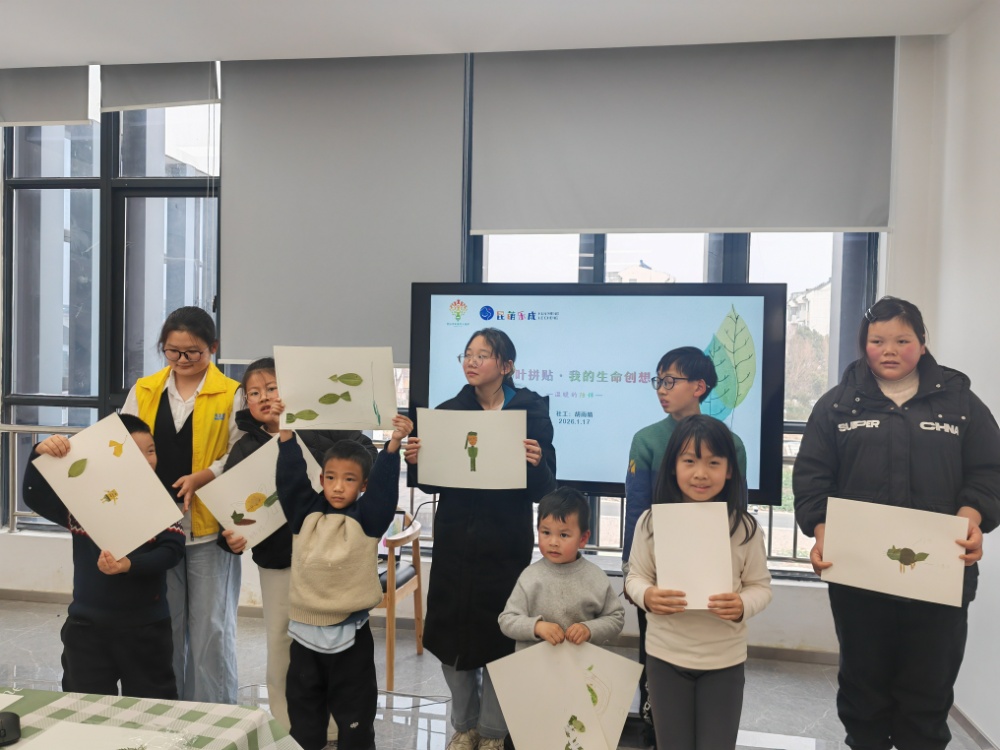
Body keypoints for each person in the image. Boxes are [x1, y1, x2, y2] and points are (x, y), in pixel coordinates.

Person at [793, 296, 1000, 750]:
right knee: (862, 691)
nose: (889, 350)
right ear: (863, 344)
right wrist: (822, 531)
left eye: (902, 340)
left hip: (940, 578)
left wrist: (973, 517)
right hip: (859, 579)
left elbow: (990, 471)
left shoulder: (960, 403)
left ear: (922, 343)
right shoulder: (836, 406)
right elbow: (811, 479)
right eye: (877, 340)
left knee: (928, 693)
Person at [405, 328, 557, 750]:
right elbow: (430, 482)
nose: (471, 362)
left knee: (500, 637)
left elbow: (544, 488)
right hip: (455, 540)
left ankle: (492, 732)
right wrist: (415, 461)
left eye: (483, 355)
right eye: (467, 354)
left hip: (504, 543)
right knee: (449, 635)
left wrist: (537, 462)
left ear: (506, 365)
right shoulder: (449, 412)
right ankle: (464, 724)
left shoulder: (530, 411)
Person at [220, 357, 377, 734]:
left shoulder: (320, 426)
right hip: (278, 561)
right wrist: (233, 538)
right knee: (281, 640)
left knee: (337, 640)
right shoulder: (243, 448)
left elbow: (365, 454)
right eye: (253, 393)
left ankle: (337, 726)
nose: (263, 397)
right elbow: (232, 512)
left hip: (331, 561)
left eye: (271, 388)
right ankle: (287, 726)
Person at [621, 345, 747, 739]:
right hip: (659, 570)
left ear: (699, 387)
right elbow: (637, 508)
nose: (662, 389)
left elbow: (737, 510)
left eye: (670, 381)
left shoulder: (730, 442)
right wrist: (631, 572)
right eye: (658, 381)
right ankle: (655, 720)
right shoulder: (646, 439)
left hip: (713, 571)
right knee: (655, 642)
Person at [625, 414, 771, 750]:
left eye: (713, 463)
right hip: (665, 657)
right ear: (673, 467)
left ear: (730, 470)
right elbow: (635, 576)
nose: (701, 473)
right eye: (689, 461)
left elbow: (761, 587)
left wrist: (742, 604)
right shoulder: (651, 522)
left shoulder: (744, 528)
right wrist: (647, 596)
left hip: (724, 661)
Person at [274, 401, 413, 750]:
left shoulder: (368, 519)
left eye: (349, 480)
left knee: (356, 721)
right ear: (321, 478)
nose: (338, 487)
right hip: (304, 637)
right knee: (305, 721)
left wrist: (393, 445)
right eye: (331, 478)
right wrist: (287, 435)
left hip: (351, 637)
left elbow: (384, 491)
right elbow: (291, 480)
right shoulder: (304, 513)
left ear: (362, 485)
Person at [121, 306, 242, 703]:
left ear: (213, 348)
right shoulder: (144, 390)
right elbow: (122, 446)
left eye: (193, 352)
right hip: (157, 527)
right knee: (164, 626)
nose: (183, 360)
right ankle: (168, 711)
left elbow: (241, 452)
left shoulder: (233, 393)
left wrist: (203, 476)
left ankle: (216, 718)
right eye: (173, 351)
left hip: (210, 527)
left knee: (211, 629)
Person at [22, 414, 185, 699]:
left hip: (146, 629)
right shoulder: (82, 504)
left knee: (150, 707)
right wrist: (39, 452)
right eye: (135, 453)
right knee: (84, 705)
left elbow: (171, 552)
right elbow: (34, 496)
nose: (147, 460)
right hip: (86, 628)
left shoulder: (159, 503)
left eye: (151, 451)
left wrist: (129, 565)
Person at [498, 487, 624, 651]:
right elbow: (507, 620)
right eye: (546, 532)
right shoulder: (529, 577)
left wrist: (589, 629)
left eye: (563, 535)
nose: (553, 542)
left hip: (580, 662)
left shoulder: (596, 577)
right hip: (535, 663)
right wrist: (536, 627)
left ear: (583, 538)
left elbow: (616, 618)